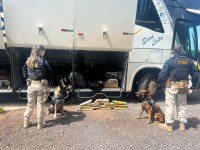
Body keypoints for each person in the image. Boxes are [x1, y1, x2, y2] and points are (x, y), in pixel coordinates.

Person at [157, 44, 199, 132]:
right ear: (182, 50)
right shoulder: (190, 61)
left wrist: (160, 83)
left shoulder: (170, 61)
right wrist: (194, 85)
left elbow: (162, 75)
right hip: (183, 84)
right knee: (182, 105)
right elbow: (195, 74)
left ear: (174, 51)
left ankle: (169, 125)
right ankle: (182, 125)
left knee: (170, 104)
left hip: (171, 84)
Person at [22, 45, 52, 129]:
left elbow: (23, 69)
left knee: (30, 104)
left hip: (31, 85)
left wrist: (27, 78)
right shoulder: (44, 61)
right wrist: (49, 83)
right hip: (41, 86)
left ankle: (26, 123)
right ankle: (40, 124)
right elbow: (50, 72)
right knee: (40, 105)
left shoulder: (29, 60)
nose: (44, 53)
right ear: (40, 51)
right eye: (44, 51)